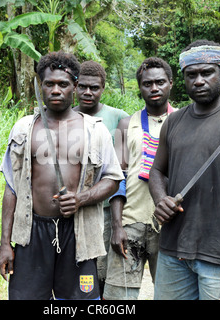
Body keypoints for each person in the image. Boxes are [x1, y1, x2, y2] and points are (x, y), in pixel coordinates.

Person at [0, 51, 124, 300]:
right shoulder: (24, 128)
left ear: (74, 87)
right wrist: (4, 244)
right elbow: (11, 188)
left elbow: (113, 179)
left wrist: (81, 198)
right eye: (49, 84)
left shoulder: (94, 131)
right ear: (41, 86)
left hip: (77, 233)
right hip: (32, 232)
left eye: (63, 84)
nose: (56, 90)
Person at [149, 40, 220, 300]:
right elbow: (157, 171)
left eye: (207, 73)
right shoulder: (173, 121)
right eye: (191, 75)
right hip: (173, 251)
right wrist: (160, 199)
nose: (199, 81)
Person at [104, 57, 175, 300]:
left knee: (170, 295)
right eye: (147, 84)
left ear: (171, 84)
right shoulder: (127, 124)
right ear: (140, 87)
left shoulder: (183, 121)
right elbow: (116, 177)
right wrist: (117, 225)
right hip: (130, 222)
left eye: (160, 82)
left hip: (169, 224)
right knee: (118, 298)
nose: (154, 88)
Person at [73, 60, 128, 297]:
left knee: (101, 273)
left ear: (103, 88)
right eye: (82, 86)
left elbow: (119, 173)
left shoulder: (118, 118)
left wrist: (117, 224)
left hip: (104, 211)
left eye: (94, 88)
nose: (87, 92)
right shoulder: (62, 116)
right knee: (73, 273)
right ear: (74, 86)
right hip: (69, 211)